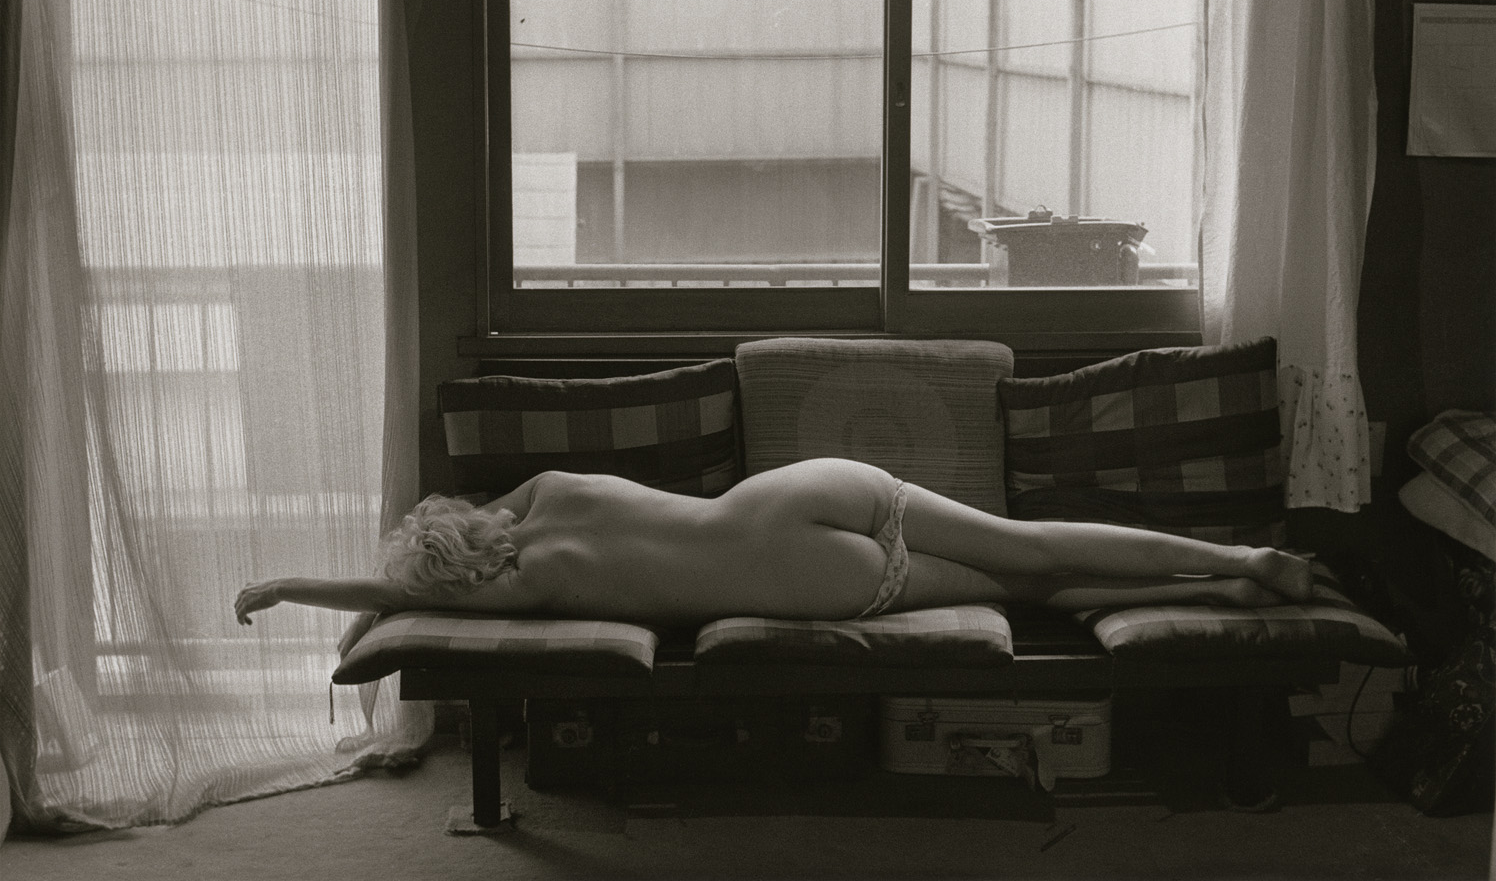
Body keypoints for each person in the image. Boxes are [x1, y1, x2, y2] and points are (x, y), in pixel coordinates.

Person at [234, 457, 1314, 630]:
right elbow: (472, 518)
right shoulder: (548, 493)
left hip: (798, 574)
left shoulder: (534, 582)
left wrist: (294, 587)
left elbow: (411, 602)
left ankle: (1219, 594)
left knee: (1025, 595)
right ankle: (1237, 561)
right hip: (795, 490)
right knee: (1029, 544)